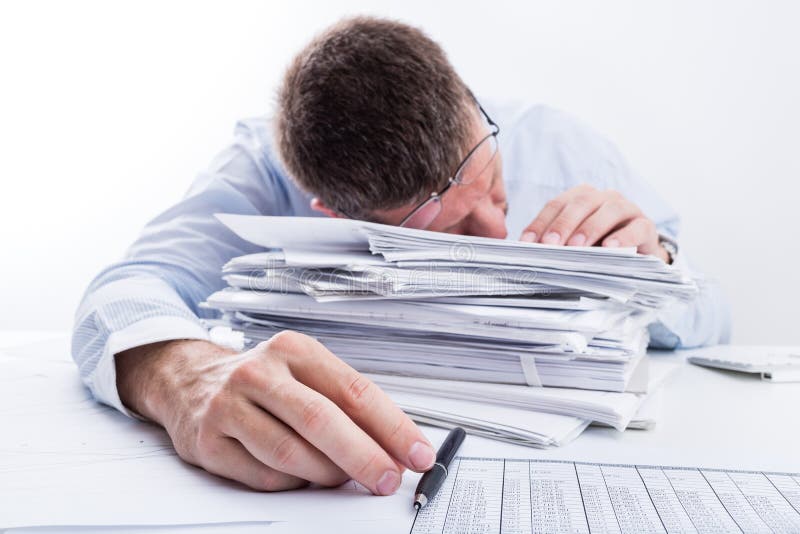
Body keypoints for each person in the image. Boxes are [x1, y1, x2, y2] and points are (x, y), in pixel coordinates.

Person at [72, 17, 730, 496]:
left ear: (470, 103)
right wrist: (179, 375)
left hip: (585, 470)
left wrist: (659, 268)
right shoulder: (266, 176)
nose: (497, 232)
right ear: (330, 213)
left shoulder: (556, 142)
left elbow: (718, 318)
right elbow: (126, 290)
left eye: (493, 187)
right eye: (450, 230)